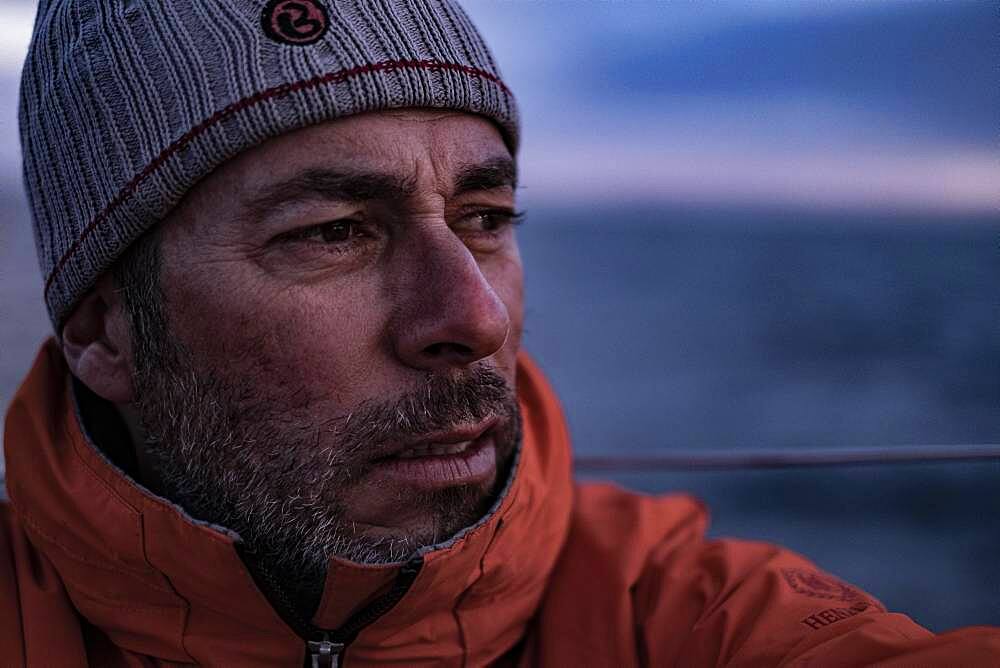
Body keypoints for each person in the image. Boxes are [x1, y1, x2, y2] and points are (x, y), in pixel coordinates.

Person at [1, 1, 997, 665]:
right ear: (103, 329)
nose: (473, 317)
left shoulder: (677, 617)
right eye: (332, 233)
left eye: (486, 218)